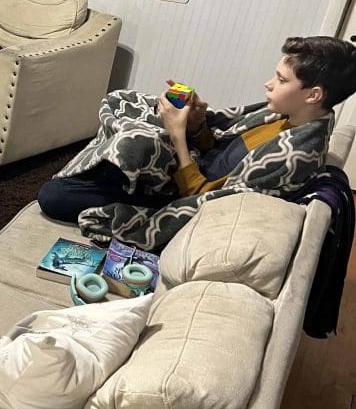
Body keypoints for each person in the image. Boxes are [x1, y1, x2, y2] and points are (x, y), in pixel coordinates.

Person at [38, 36, 356, 249]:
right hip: (187, 163)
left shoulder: (293, 156)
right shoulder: (286, 115)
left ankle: (116, 171)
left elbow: (208, 202)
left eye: (283, 80)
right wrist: (196, 120)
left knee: (54, 195)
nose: (269, 84)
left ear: (314, 95)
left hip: (180, 196)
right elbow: (219, 142)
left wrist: (177, 134)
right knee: (123, 100)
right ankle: (116, 167)